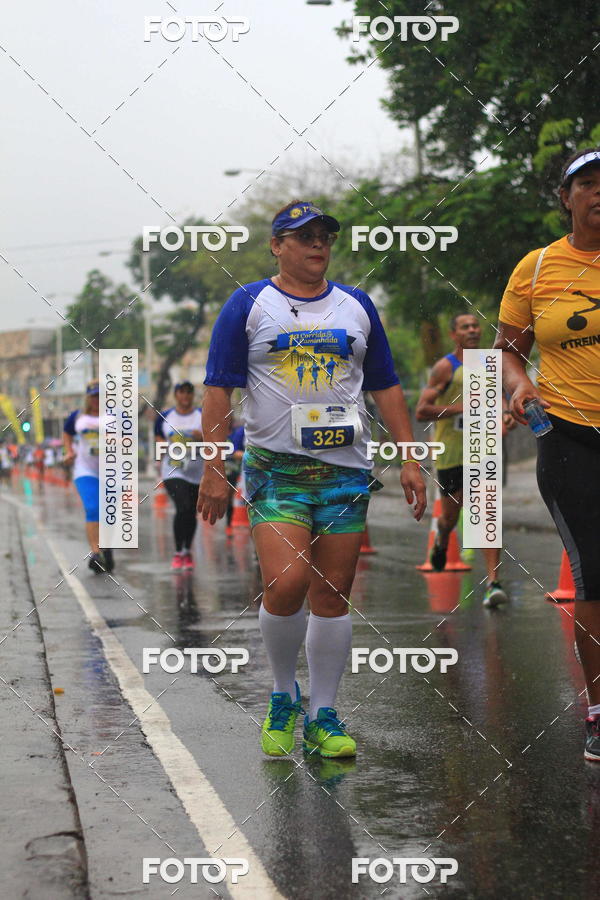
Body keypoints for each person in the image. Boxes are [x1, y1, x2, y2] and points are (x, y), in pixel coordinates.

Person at [198, 199, 426, 758]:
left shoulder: (356, 306)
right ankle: (282, 695)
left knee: (332, 594)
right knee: (286, 584)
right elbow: (217, 389)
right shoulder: (249, 303)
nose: (317, 244)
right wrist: (213, 467)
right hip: (276, 472)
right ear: (277, 246)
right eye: (302, 237)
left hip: (345, 472)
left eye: (324, 235)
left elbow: (387, 387)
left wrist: (410, 458)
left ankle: (323, 714)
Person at [495, 147, 600, 761]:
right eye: (586, 183)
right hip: (569, 438)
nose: (597, 192)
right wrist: (521, 382)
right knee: (593, 569)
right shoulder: (537, 269)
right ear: (566, 198)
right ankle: (597, 709)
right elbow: (509, 347)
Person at [416, 313, 515, 607]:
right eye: (465, 327)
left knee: (486, 515)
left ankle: (493, 583)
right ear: (454, 335)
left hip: (483, 449)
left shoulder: (489, 363)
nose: (472, 330)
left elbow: (500, 398)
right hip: (451, 451)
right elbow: (422, 410)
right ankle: (443, 539)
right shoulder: (446, 367)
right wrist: (462, 409)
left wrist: (505, 416)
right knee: (450, 516)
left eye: (475, 326)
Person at [63, 381, 114, 574]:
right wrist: (69, 451)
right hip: (85, 471)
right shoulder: (78, 417)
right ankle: (96, 553)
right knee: (93, 508)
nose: (97, 400)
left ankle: (106, 547)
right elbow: (67, 433)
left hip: (111, 472)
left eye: (100, 395)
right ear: (88, 397)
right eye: (93, 396)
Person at [155, 381, 203, 570]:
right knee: (182, 506)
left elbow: (215, 439)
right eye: (181, 392)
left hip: (197, 471)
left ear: (192, 396)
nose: (185, 396)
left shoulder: (201, 416)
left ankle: (187, 551)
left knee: (191, 511)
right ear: (176, 395)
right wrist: (160, 454)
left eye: (188, 392)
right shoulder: (166, 417)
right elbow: (158, 438)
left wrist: (203, 437)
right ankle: (177, 552)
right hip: (173, 470)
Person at [225, 423, 245, 534]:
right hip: (221, 470)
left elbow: (236, 451)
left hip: (234, 470)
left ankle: (229, 523)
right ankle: (228, 523)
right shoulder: (214, 434)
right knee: (227, 498)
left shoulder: (235, 433)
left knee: (230, 497)